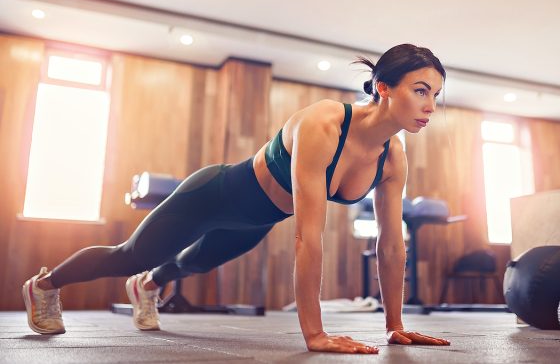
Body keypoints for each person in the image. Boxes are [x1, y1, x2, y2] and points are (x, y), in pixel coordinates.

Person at [22, 43, 450, 354]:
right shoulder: (325, 122)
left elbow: (392, 245)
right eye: (420, 90)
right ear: (383, 88)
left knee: (194, 263)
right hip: (212, 194)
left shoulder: (393, 158)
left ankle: (147, 287)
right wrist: (314, 334)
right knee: (131, 254)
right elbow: (308, 237)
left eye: (435, 94)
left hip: (257, 221)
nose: (431, 105)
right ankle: (45, 284)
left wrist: (394, 324)